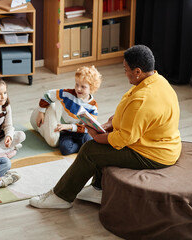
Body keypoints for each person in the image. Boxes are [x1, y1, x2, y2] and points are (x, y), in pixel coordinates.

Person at [29, 45, 182, 208]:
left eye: (125, 69)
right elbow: (135, 118)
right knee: (98, 146)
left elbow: (123, 139)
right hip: (156, 142)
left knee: (90, 150)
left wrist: (97, 136)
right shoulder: (158, 82)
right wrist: (110, 123)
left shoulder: (143, 99)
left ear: (137, 71)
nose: (124, 73)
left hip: (152, 153)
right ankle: (98, 189)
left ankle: (61, 197)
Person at [30, 66, 102, 155]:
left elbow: (89, 127)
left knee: (90, 141)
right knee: (65, 149)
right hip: (66, 132)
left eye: (83, 87)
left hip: (82, 132)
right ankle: (83, 148)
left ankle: (83, 147)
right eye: (77, 84)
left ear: (92, 88)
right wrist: (42, 111)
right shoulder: (67, 94)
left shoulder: (93, 107)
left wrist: (70, 126)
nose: (78, 89)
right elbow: (48, 94)